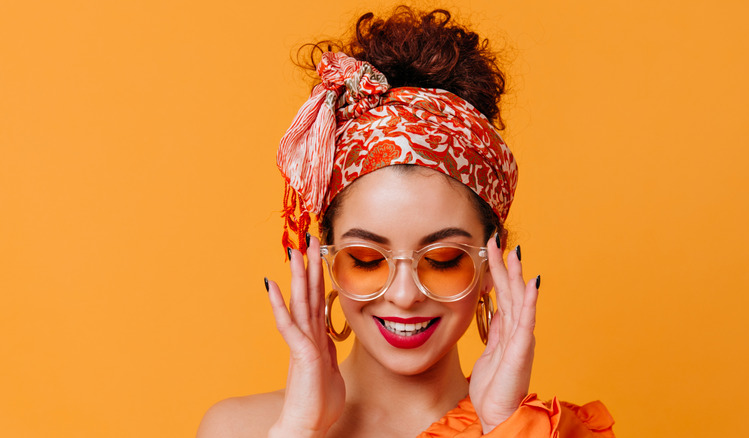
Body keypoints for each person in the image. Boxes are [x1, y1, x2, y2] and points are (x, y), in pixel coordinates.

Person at [198, 6, 615, 437]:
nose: (403, 295)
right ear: (327, 260)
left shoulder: (554, 433)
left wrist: (503, 425)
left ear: (493, 263)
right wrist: (299, 428)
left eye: (444, 259)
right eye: (365, 259)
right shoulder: (240, 428)